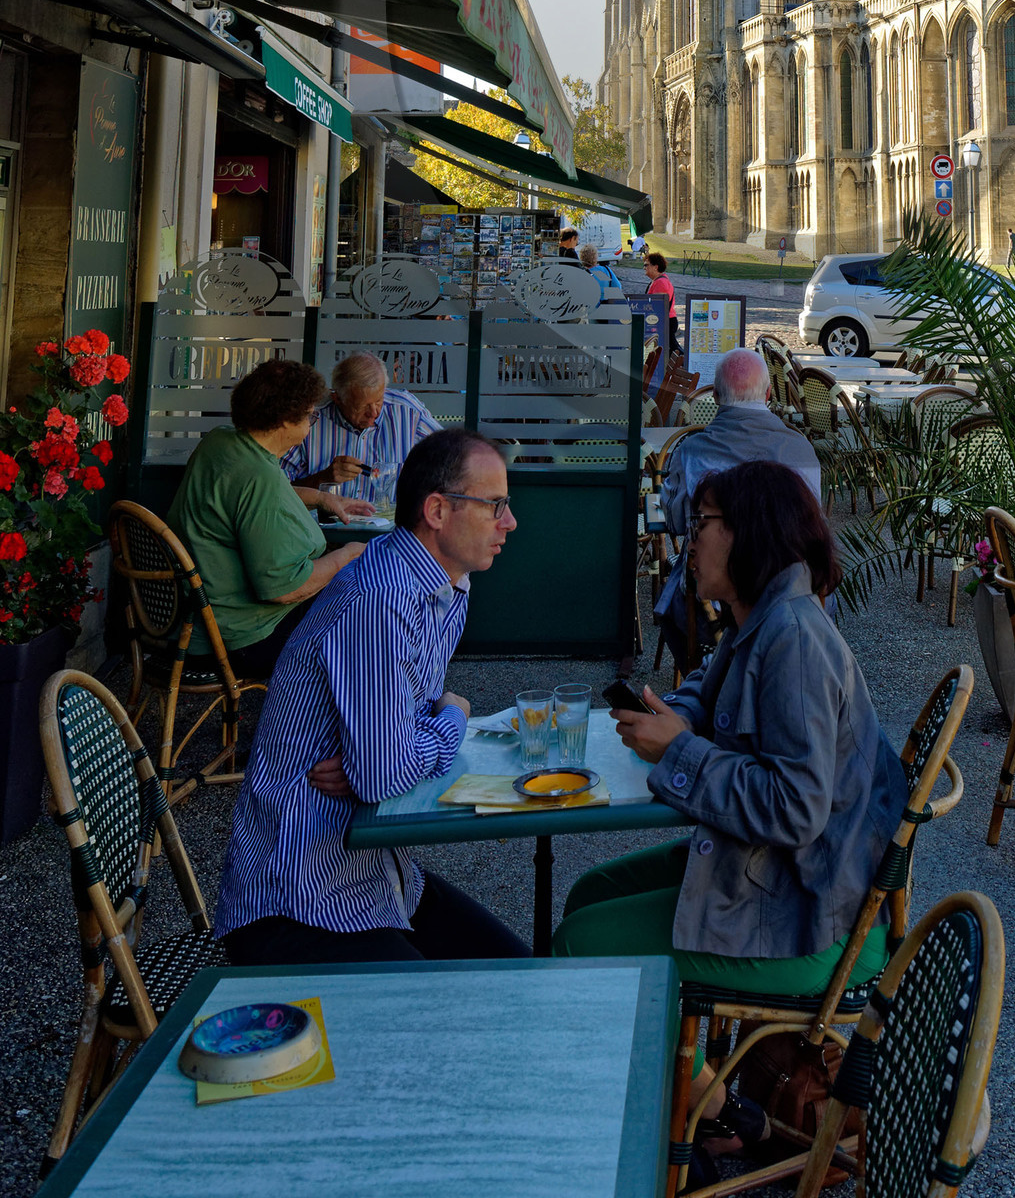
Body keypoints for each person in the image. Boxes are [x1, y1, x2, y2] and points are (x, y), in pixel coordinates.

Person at [555, 460, 905, 998]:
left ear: (749, 531)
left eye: (699, 524)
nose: (686, 543)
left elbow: (794, 807)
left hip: (817, 917)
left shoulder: (793, 641)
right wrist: (675, 715)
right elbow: (709, 685)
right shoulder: (762, 615)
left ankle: (701, 1086)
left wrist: (678, 750)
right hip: (782, 874)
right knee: (589, 891)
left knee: (581, 940)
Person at [215, 427, 533, 965]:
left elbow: (383, 761)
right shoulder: (381, 600)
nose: (510, 521)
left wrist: (392, 752)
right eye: (496, 505)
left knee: (518, 972)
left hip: (382, 876)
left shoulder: (444, 587)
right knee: (469, 1016)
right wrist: (452, 717)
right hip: (299, 897)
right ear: (437, 510)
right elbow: (384, 773)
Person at [169, 360, 366, 678]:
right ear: (286, 422)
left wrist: (320, 497)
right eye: (310, 416)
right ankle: (335, 720)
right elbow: (284, 589)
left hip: (190, 624)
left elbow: (248, 497)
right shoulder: (259, 476)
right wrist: (349, 556)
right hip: (239, 640)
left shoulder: (221, 442)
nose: (312, 422)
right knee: (361, 617)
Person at [653, 349, 821, 664]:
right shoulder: (801, 450)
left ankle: (704, 676)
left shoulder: (691, 452)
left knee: (679, 589)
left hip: (712, 609)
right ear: (769, 394)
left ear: (715, 396)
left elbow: (675, 523)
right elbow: (814, 531)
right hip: (796, 603)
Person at [281, 351, 440, 516]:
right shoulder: (311, 419)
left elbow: (449, 458)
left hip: (389, 531)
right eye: (362, 406)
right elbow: (277, 489)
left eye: (379, 401)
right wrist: (322, 479)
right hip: (323, 532)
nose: (374, 413)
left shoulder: (407, 412)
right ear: (338, 399)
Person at [646, 250, 679, 354]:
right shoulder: (658, 281)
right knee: (671, 349)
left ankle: (682, 365)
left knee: (672, 350)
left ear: (656, 267)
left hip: (666, 321)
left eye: (647, 265)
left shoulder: (661, 282)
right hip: (666, 320)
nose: (644, 268)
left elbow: (657, 306)